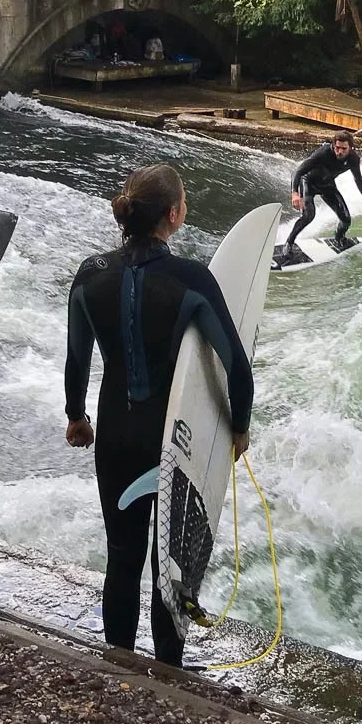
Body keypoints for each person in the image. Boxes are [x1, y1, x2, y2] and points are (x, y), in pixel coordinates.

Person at [63, 164, 254, 666]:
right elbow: (235, 363)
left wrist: (76, 416)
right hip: (175, 439)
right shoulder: (190, 278)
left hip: (117, 436)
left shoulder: (90, 273)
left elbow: (77, 357)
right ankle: (167, 668)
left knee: (122, 557)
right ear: (173, 215)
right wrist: (239, 426)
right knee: (169, 564)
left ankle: (119, 662)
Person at [282, 130, 362, 257]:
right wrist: (294, 193)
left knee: (346, 220)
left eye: (344, 149)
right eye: (337, 148)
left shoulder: (353, 159)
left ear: (350, 148)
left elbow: (358, 179)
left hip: (327, 185)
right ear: (333, 145)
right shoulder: (323, 153)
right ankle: (289, 243)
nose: (339, 152)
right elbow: (298, 171)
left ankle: (339, 239)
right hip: (308, 183)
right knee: (309, 215)